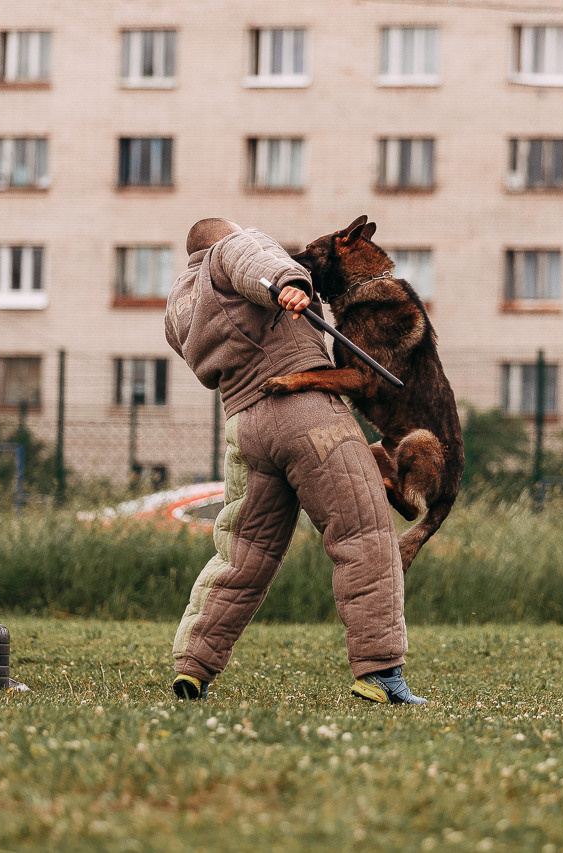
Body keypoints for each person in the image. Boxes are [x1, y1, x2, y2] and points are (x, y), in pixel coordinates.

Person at [165, 218, 425, 705]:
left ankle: (193, 665)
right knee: (363, 532)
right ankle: (380, 672)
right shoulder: (235, 248)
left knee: (243, 553)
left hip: (246, 425)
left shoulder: (181, 302)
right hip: (307, 413)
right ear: (225, 236)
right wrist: (288, 284)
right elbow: (255, 259)